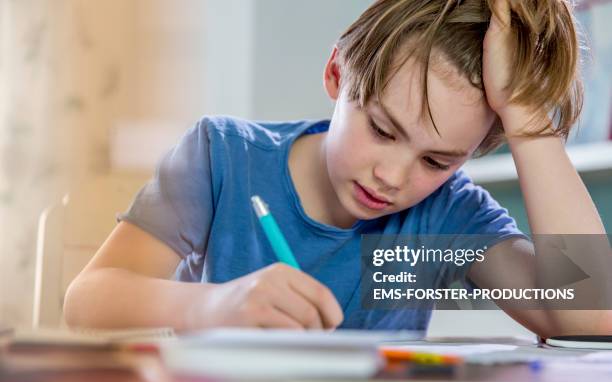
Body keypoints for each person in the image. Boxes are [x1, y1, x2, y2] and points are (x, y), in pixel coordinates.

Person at [64, 0, 610, 336]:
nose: (392, 177)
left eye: (437, 160)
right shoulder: (221, 157)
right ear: (335, 73)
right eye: (382, 129)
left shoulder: (448, 216)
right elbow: (88, 300)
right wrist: (218, 303)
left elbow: (592, 315)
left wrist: (527, 121)